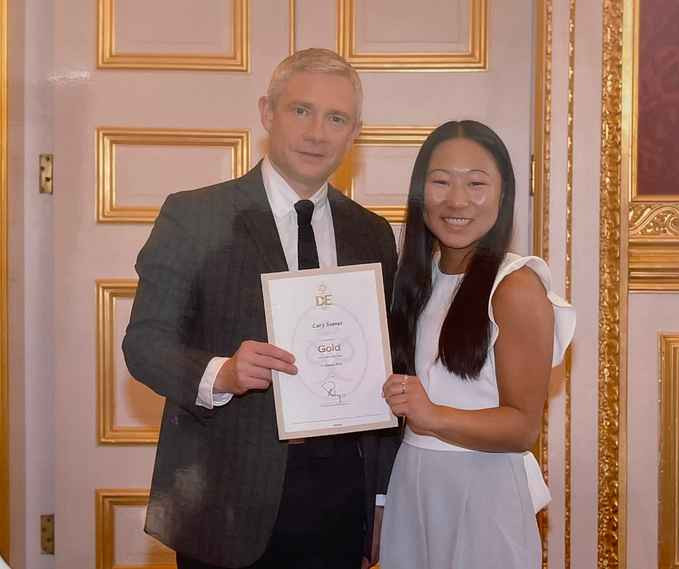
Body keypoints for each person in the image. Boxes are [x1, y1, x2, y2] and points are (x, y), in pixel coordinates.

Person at [123, 48, 398, 569]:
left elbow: (382, 365)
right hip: (223, 506)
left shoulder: (373, 233)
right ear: (267, 113)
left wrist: (380, 504)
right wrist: (221, 373)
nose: (317, 132)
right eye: (301, 111)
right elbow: (145, 343)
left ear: (354, 132)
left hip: (338, 508)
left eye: (336, 118)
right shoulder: (194, 215)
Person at [379, 120, 575, 569]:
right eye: (441, 182)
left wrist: (430, 415)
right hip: (412, 482)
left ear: (503, 195)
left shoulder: (516, 287)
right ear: (419, 192)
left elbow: (523, 427)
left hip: (482, 490)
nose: (457, 201)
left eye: (476, 184)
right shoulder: (414, 280)